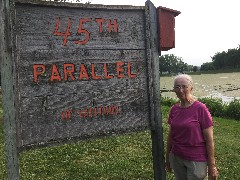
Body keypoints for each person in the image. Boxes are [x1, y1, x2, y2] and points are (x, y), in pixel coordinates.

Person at [165, 74, 219, 180]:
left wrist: (212, 166)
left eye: (184, 86)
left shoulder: (200, 109)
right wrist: (167, 158)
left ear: (191, 88)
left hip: (196, 160)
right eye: (177, 87)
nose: (180, 90)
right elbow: (171, 135)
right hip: (177, 157)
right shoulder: (174, 109)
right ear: (174, 90)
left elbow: (209, 140)